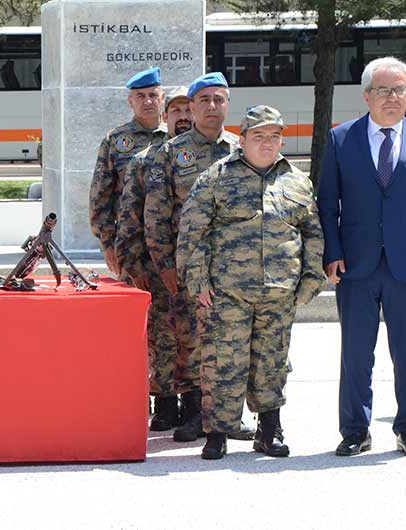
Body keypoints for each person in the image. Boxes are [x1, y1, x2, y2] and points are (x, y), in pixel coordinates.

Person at [317, 57, 406, 459]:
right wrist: (332, 253)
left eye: (400, 90)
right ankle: (355, 430)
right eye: (384, 90)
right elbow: (327, 204)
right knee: (356, 354)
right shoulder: (342, 138)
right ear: (366, 95)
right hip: (355, 266)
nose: (393, 98)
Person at [177, 105, 325, 459]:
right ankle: (217, 433)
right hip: (226, 294)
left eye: (274, 136)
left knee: (271, 363)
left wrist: (309, 280)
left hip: (279, 292)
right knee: (222, 362)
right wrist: (198, 281)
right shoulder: (216, 177)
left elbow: (313, 233)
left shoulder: (296, 180)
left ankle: (269, 431)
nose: (267, 142)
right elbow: (192, 232)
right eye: (258, 136)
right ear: (241, 140)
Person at [144, 72, 254, 443]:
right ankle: (195, 413)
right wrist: (166, 267)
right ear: (191, 107)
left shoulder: (242, 149)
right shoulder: (170, 153)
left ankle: (226, 416)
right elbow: (156, 216)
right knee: (190, 343)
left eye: (219, 100)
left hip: (235, 269)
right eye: (204, 100)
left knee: (230, 343)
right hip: (189, 268)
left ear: (227, 105)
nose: (212, 107)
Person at [116, 86, 193, 430]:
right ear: (165, 118)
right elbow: (129, 217)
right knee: (161, 339)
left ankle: (195, 404)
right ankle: (164, 405)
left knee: (195, 339)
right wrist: (131, 265)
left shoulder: (223, 155)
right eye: (175, 111)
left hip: (201, 268)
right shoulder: (144, 160)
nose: (183, 117)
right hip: (155, 268)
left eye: (187, 110)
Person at [90, 66, 168, 278]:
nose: (148, 101)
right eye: (140, 96)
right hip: (131, 244)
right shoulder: (115, 140)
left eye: (153, 95)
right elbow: (100, 195)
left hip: (169, 242)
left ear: (162, 99)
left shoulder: (177, 138)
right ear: (130, 101)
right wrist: (107, 243)